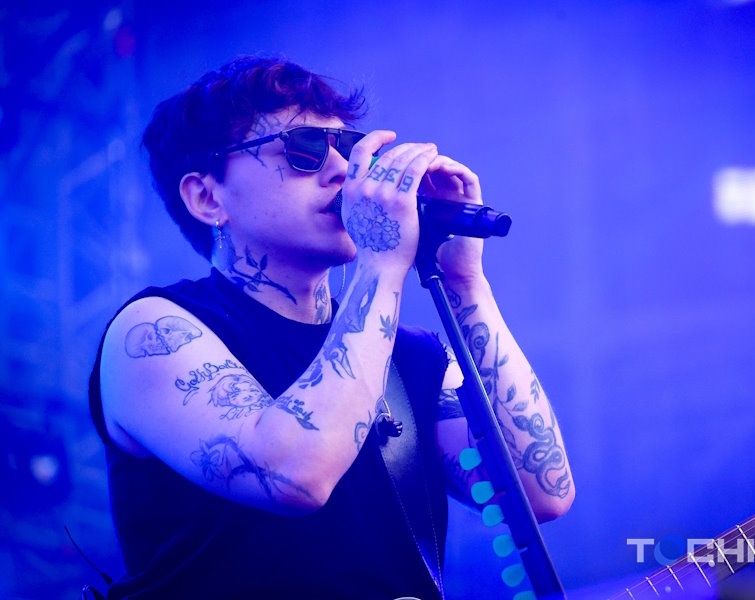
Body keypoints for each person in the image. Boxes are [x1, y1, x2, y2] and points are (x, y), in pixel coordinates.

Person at [88, 55, 574, 599]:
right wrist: (381, 263)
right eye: (305, 149)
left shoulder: (412, 356)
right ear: (207, 197)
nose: (344, 170)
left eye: (347, 147)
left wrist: (466, 282)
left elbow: (541, 492)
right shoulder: (153, 332)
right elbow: (296, 475)